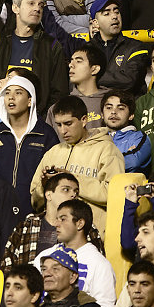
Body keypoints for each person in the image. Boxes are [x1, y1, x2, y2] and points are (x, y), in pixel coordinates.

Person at [31, 97, 124, 233]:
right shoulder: (53, 152)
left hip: (90, 234)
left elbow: (114, 194)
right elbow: (35, 202)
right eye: (59, 124)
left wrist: (72, 180)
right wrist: (44, 186)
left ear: (84, 120)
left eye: (68, 123)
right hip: (53, 233)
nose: (63, 131)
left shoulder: (106, 149)